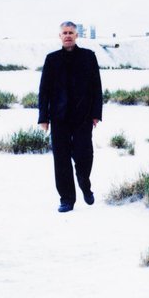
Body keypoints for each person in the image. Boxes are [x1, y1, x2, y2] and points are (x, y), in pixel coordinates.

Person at [38, 21, 104, 213]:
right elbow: (44, 91)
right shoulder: (52, 59)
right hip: (59, 118)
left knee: (85, 155)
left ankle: (84, 182)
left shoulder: (88, 57)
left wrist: (96, 114)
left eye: (71, 32)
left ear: (76, 36)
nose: (67, 35)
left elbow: (96, 87)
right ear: (60, 36)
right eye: (64, 33)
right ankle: (66, 199)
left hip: (83, 116)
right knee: (61, 158)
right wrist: (44, 118)